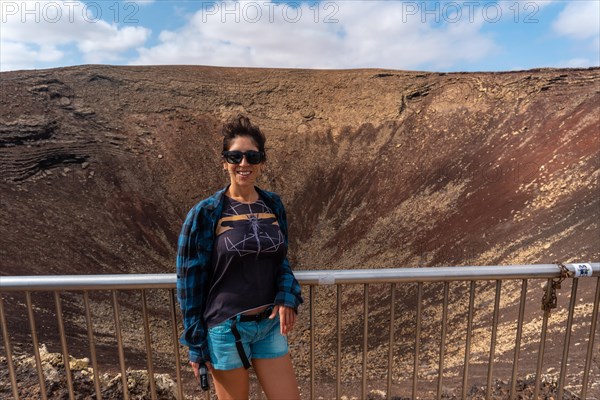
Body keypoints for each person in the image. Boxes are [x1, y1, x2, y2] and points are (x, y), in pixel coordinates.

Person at [176, 115, 303, 400]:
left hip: (270, 325)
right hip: (225, 328)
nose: (243, 164)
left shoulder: (273, 204)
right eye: (235, 156)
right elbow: (189, 282)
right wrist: (196, 346)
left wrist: (287, 295)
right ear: (225, 162)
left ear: (261, 162)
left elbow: (281, 259)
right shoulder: (205, 213)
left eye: (252, 156)